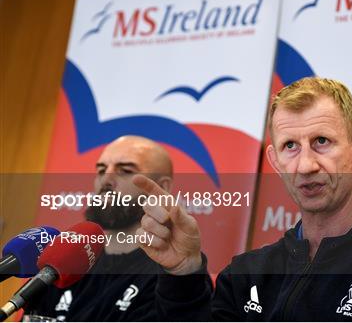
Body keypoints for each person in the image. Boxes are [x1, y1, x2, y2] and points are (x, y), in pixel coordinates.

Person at [135, 77, 352, 321]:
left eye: (321, 142)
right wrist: (184, 272)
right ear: (275, 161)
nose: (305, 165)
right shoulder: (247, 273)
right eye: (290, 147)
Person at [25, 135, 212, 321]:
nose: (107, 179)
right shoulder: (67, 260)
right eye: (101, 170)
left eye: (125, 170)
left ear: (162, 187)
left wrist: (181, 273)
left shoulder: (174, 274)